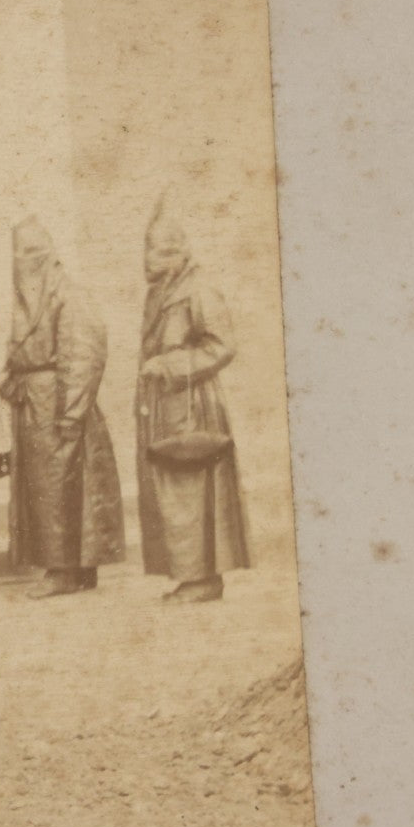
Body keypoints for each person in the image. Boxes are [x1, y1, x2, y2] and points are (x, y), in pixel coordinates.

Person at [0, 216, 126, 598]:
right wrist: (13, 378)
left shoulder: (70, 295)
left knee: (62, 486)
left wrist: (71, 412)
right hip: (35, 404)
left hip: (59, 404)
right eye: (18, 251)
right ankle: (73, 569)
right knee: (46, 487)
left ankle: (65, 571)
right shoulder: (29, 300)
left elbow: (85, 354)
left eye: (31, 251)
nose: (23, 260)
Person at [136, 203, 251, 602]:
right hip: (168, 404)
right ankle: (189, 575)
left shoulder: (198, 289)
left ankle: (203, 579)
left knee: (191, 489)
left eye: (155, 250)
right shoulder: (161, 292)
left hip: (193, 404)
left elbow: (222, 345)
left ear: (177, 253)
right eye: (147, 249)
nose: (147, 259)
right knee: (173, 491)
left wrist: (168, 364)